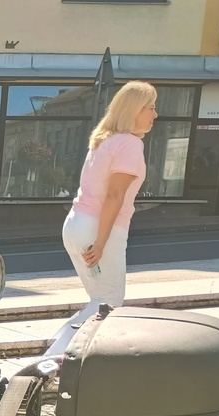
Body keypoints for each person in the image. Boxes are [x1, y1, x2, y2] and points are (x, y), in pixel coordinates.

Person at [40, 81, 158, 366]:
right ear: (133, 110)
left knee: (99, 301)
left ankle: (55, 355)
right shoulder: (130, 144)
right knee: (108, 303)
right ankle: (53, 363)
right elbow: (115, 195)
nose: (155, 115)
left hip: (77, 224)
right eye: (150, 107)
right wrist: (102, 242)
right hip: (99, 228)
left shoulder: (104, 140)